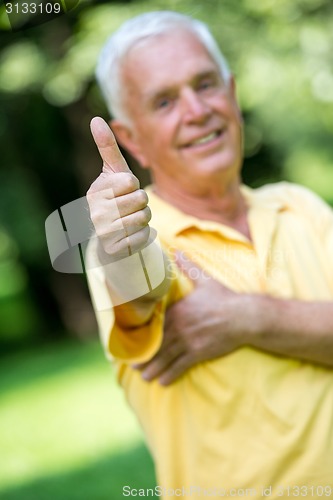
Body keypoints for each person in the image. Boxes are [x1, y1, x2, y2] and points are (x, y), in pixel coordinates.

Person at [85, 10, 333, 498]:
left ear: (233, 95)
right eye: (164, 101)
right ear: (131, 137)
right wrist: (123, 246)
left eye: (205, 84)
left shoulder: (300, 205)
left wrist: (248, 317)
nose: (197, 110)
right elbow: (140, 289)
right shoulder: (131, 237)